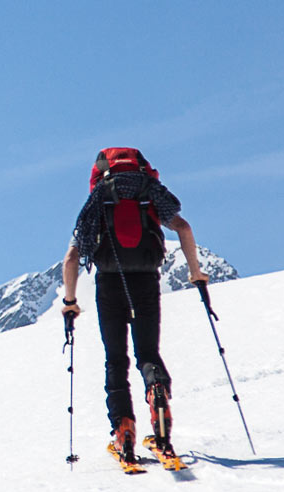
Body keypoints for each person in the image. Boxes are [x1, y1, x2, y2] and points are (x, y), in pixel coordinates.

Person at [58, 148, 207, 469]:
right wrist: (196, 273)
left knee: (116, 359)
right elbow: (183, 227)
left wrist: (70, 302)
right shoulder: (149, 192)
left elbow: (71, 258)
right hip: (147, 281)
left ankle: (123, 430)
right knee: (148, 354)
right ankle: (157, 395)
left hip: (109, 284)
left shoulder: (98, 199)